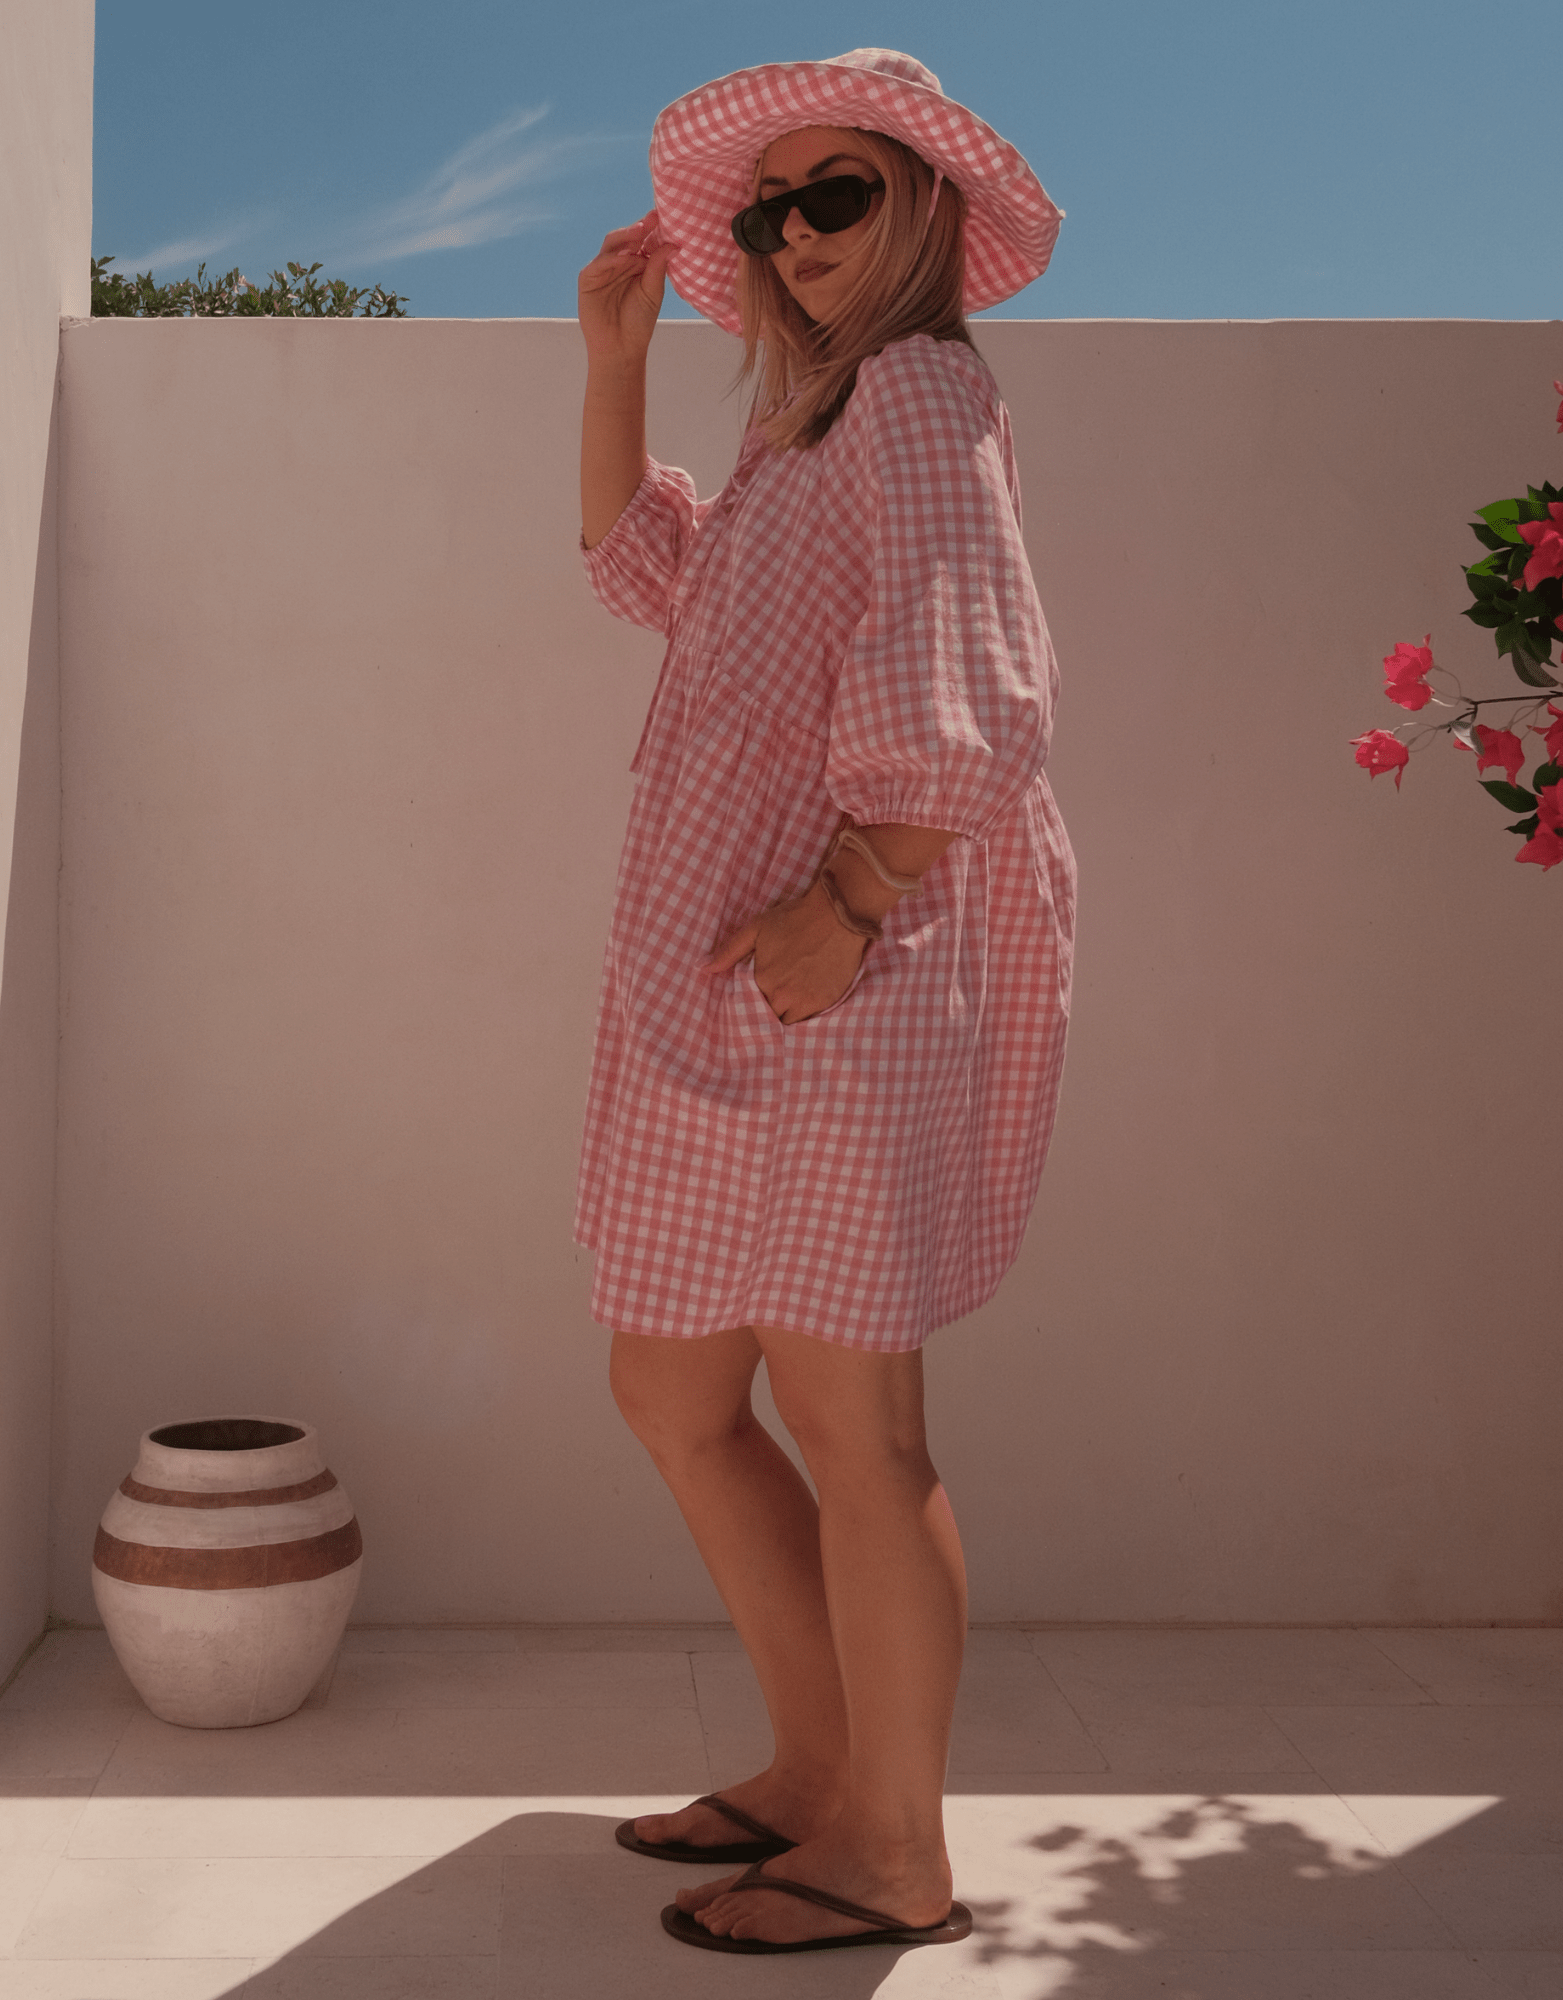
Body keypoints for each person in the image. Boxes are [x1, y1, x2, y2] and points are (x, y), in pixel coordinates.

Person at [575, 49, 1074, 1957]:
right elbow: (644, 579)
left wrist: (845, 905)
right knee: (674, 1380)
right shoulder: (813, 434)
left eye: (834, 195)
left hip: (843, 952)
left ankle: (895, 1849)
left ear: (927, 207)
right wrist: (617, 350)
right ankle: (815, 1768)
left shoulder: (930, 392)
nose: (790, 239)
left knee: (852, 1419)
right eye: (769, 214)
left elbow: (990, 685)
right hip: (743, 958)